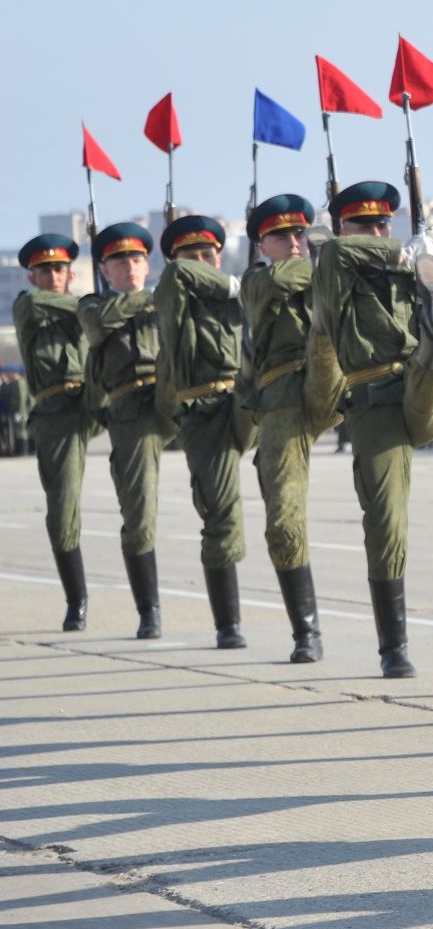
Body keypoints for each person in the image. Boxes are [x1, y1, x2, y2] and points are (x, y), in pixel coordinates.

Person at [305, 181, 433, 676]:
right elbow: (336, 250)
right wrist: (406, 252)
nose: (376, 231)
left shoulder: (415, 269)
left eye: (383, 224)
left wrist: (422, 266)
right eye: (365, 225)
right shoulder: (333, 265)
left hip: (425, 388)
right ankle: (394, 647)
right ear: (344, 229)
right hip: (374, 403)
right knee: (386, 520)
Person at [153, 214, 256, 648]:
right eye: (192, 255)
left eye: (208, 255)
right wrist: (233, 284)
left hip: (248, 397)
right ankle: (228, 623)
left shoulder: (238, 298)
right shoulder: (177, 298)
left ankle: (305, 627)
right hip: (204, 410)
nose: (200, 262)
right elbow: (177, 274)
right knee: (222, 514)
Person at [241, 195, 333, 662]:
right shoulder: (258, 281)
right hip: (282, 398)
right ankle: (307, 631)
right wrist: (334, 258)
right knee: (283, 518)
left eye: (301, 235)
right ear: (262, 244)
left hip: (337, 381)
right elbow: (288, 278)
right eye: (282, 237)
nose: (295, 244)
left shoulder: (328, 269)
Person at [81, 222, 176, 639]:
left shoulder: (164, 300)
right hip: (131, 409)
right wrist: (148, 298)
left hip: (173, 395)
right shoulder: (91, 306)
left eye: (138, 259)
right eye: (120, 262)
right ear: (105, 270)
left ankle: (228, 620)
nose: (131, 267)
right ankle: (149, 610)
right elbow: (100, 323)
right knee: (139, 515)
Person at [13, 233, 94, 630]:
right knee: (63, 510)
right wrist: (96, 309)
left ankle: (148, 607)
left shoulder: (88, 310)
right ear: (32, 277)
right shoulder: (28, 305)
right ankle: (76, 600)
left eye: (60, 269)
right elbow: (67, 309)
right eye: (44, 271)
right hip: (57, 412)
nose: (53, 276)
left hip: (96, 400)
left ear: (70, 274)